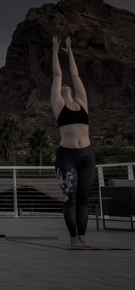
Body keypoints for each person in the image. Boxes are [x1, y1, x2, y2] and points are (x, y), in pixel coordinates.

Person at [51, 35, 94, 248]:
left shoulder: (83, 102)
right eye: (62, 85)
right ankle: (73, 238)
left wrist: (70, 52)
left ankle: (83, 238)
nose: (66, 84)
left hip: (86, 155)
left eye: (69, 85)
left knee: (84, 199)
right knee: (70, 198)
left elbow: (75, 74)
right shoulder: (58, 104)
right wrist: (55, 50)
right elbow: (58, 74)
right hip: (66, 156)